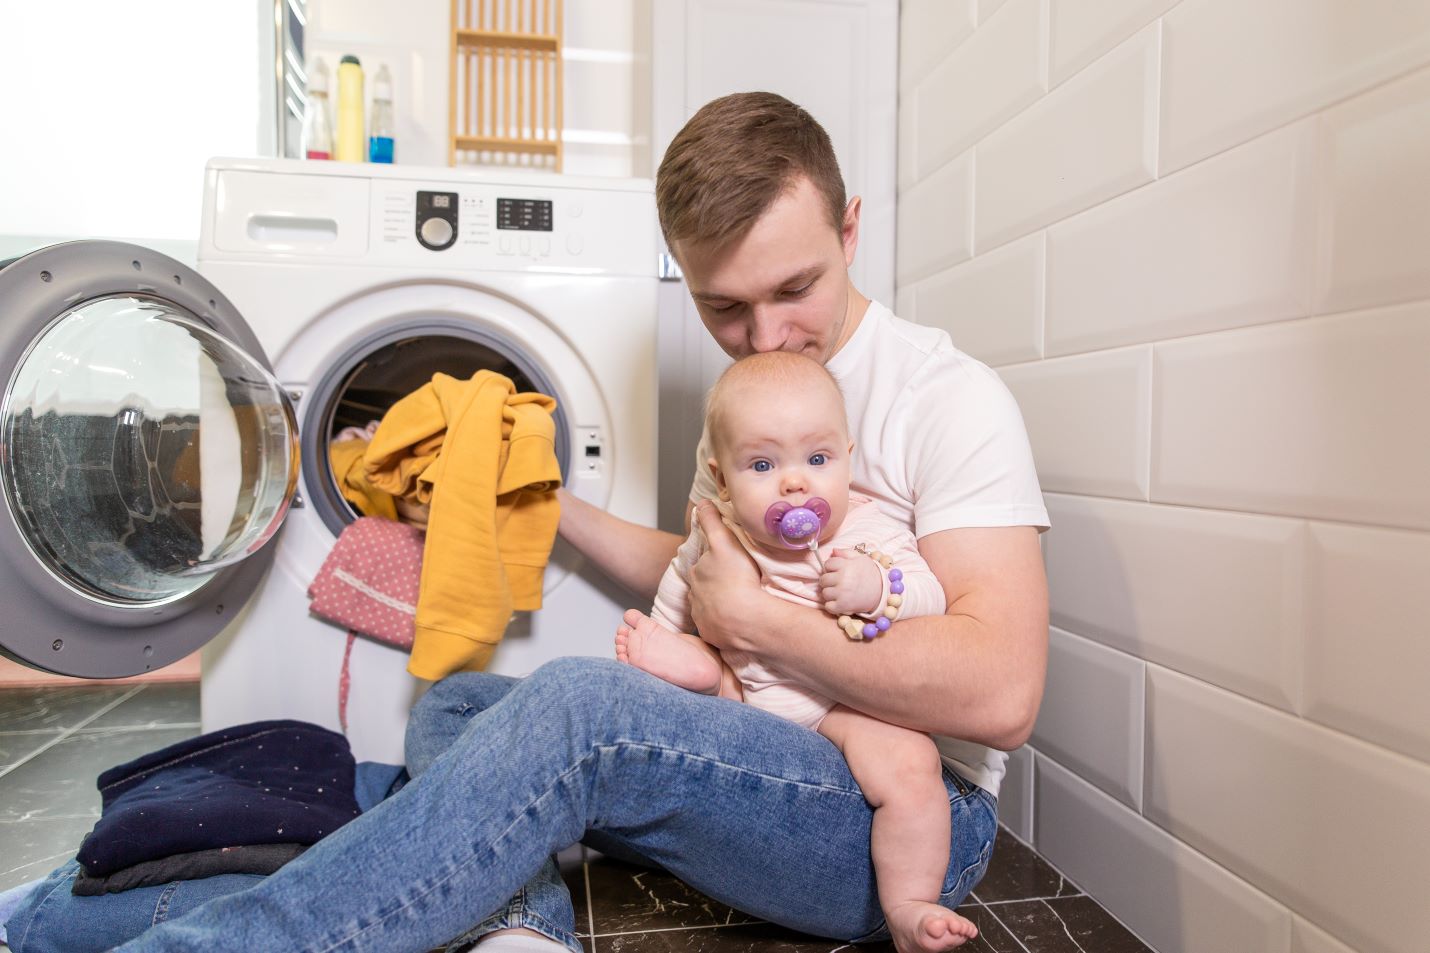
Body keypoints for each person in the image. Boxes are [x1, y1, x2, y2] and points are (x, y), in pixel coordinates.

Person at [113, 91, 1049, 953]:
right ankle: (522, 930)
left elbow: (1004, 694)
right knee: (462, 703)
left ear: (849, 230)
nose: (765, 337)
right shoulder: (751, 405)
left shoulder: (946, 399)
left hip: (901, 818)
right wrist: (553, 510)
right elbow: (704, 568)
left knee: (576, 706)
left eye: (793, 288)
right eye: (723, 306)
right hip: (755, 739)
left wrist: (765, 626)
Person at [615, 349, 978, 949]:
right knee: (695, 659)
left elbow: (930, 596)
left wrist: (876, 585)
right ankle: (697, 675)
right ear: (722, 477)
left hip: (842, 709)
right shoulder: (718, 532)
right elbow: (680, 590)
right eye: (762, 463)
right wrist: (661, 640)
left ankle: (910, 902)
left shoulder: (870, 530)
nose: (795, 481)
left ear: (847, 458)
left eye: (817, 458)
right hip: (741, 693)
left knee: (913, 768)